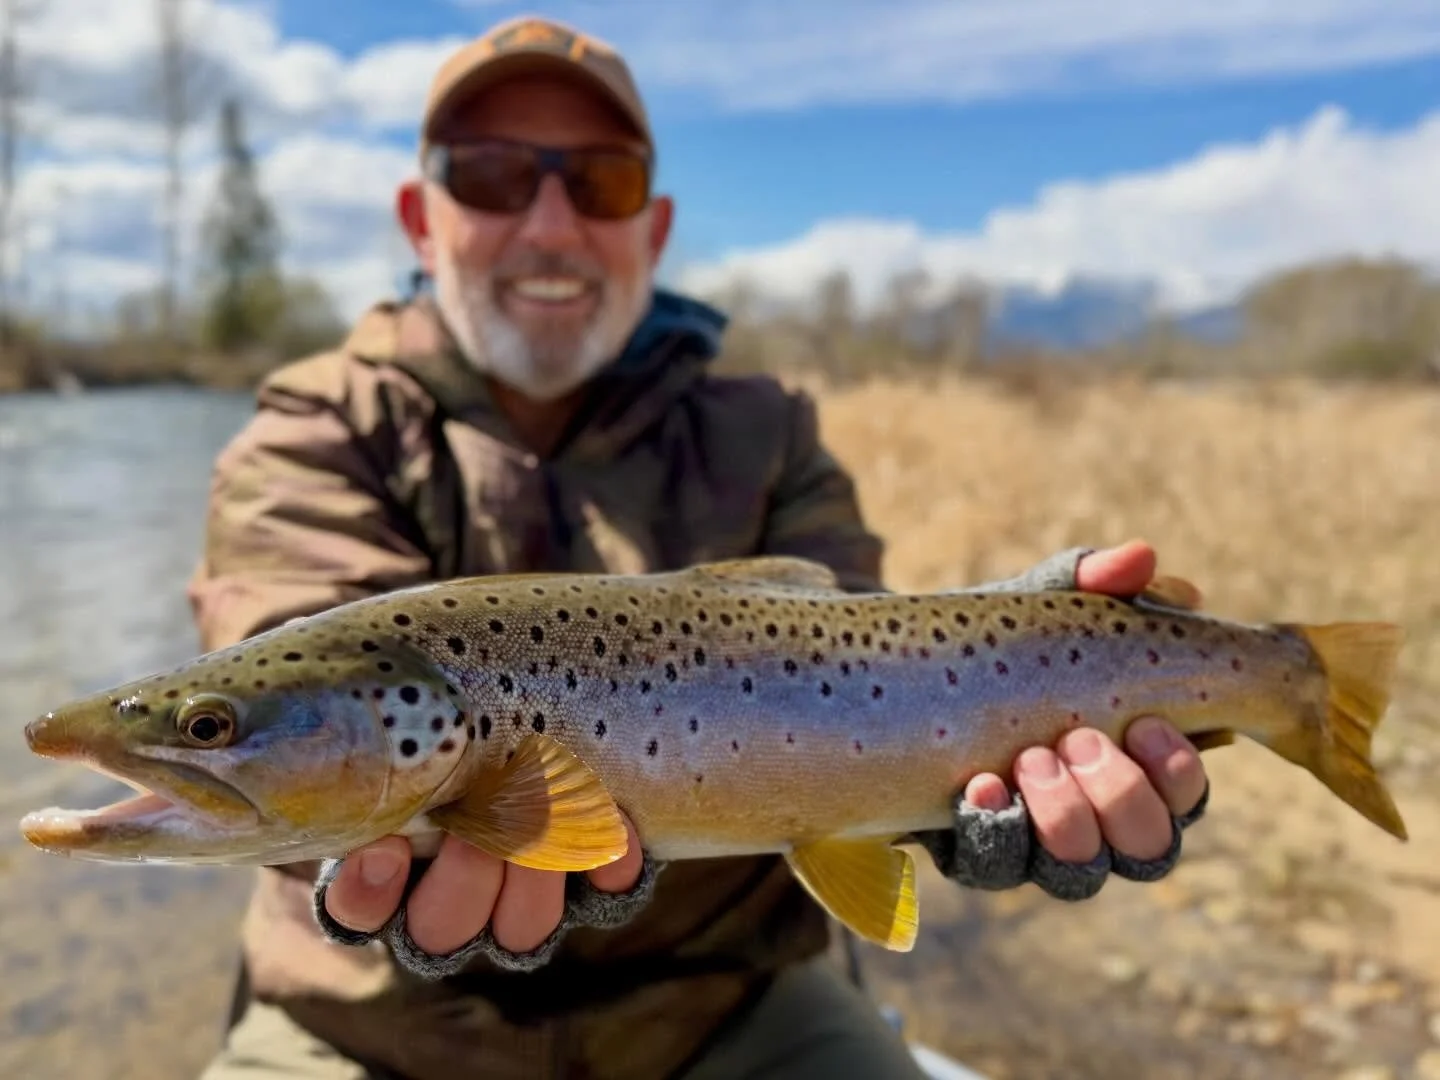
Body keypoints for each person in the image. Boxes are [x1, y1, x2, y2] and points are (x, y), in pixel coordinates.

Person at [188, 15, 1210, 1080]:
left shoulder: (765, 432)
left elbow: (877, 672)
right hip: (370, 1030)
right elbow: (287, 679)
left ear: (656, 226)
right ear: (419, 219)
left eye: (601, 181)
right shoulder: (316, 430)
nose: (549, 223)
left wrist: (1011, 714)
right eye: (490, 175)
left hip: (732, 1014)